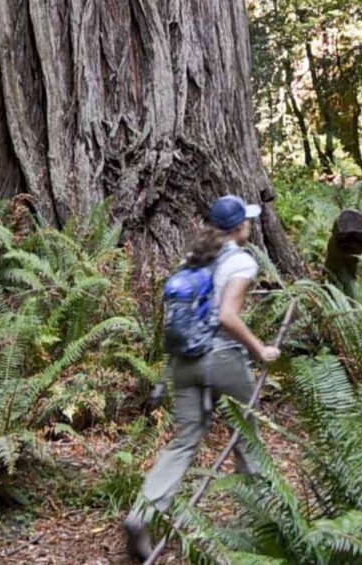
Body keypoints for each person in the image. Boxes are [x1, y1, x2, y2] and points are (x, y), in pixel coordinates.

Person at [122, 195, 281, 562]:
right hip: (223, 360)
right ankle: (260, 526)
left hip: (184, 364)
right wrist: (261, 350)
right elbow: (227, 316)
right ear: (240, 227)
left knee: (183, 442)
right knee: (247, 441)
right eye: (248, 221)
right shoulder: (241, 261)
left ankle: (141, 514)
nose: (251, 226)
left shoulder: (191, 260)